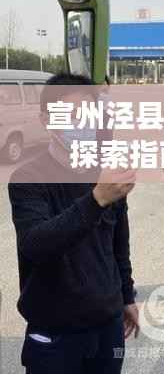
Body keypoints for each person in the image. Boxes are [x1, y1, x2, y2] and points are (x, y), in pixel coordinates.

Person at [9, 73, 138, 374]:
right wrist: (96, 200)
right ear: (46, 120)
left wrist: (127, 295)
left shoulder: (107, 171)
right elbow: (35, 245)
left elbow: (118, 241)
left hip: (107, 323)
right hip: (55, 332)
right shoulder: (28, 178)